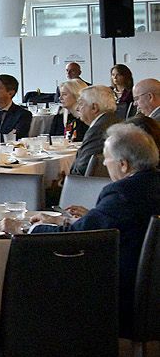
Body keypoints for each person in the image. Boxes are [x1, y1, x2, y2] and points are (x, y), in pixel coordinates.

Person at [30, 124, 160, 328]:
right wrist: (67, 219)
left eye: (106, 159)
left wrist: (30, 230)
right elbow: (120, 223)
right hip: (152, 291)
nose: (105, 165)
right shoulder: (151, 184)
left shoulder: (121, 194)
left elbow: (77, 237)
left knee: (37, 278)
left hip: (120, 293)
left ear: (123, 164)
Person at [68, 84, 119, 177]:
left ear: (94, 108)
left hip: (86, 186)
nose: (77, 108)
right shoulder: (113, 120)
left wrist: (64, 182)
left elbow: (83, 168)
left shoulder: (98, 130)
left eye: (81, 104)